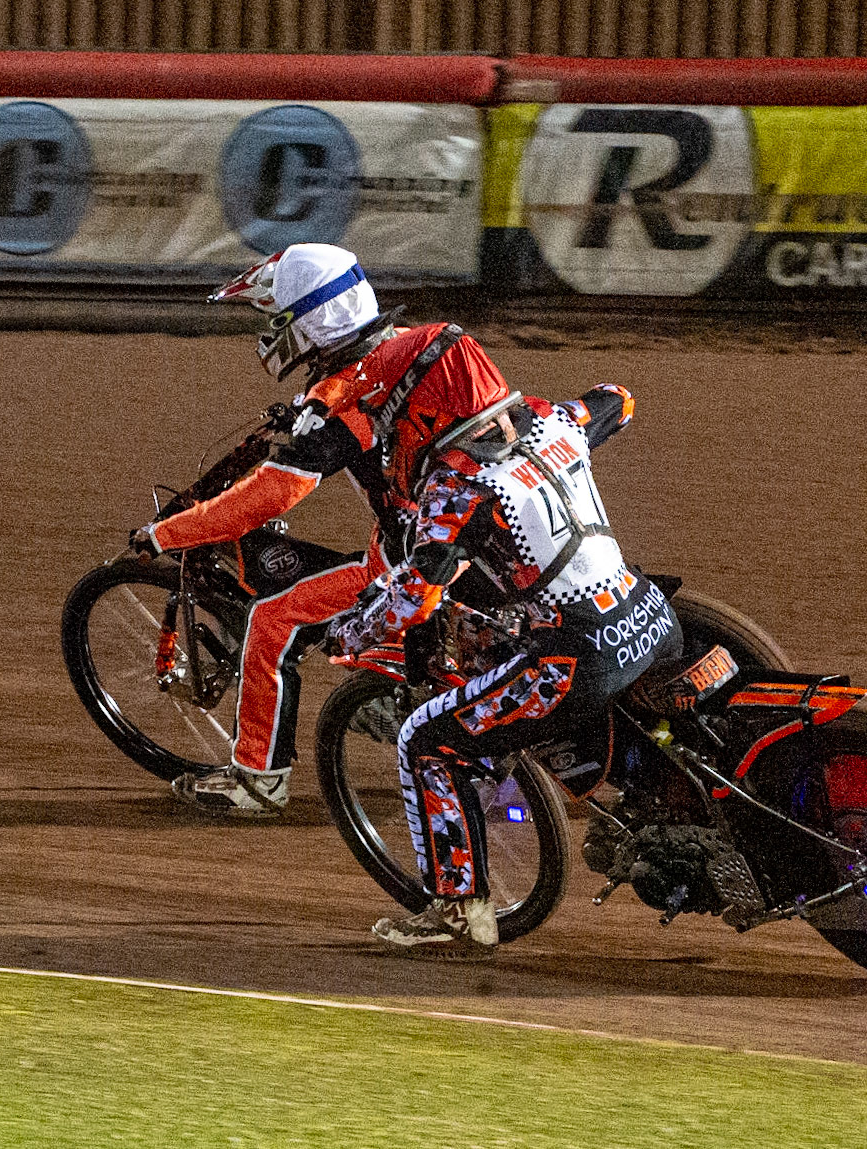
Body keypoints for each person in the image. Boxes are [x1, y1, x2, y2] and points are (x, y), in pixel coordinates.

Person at [128, 242, 519, 817]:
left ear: (308, 321)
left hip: (420, 556)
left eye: (277, 320)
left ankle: (259, 781)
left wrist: (169, 534)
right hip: (505, 526)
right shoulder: (404, 347)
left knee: (272, 619)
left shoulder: (342, 397)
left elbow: (272, 494)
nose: (269, 333)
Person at [325, 381, 680, 960]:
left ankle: (461, 910)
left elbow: (414, 597)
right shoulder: (554, 420)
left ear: (419, 423)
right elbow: (620, 397)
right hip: (651, 615)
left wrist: (348, 631)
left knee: (426, 740)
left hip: (576, 660)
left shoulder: (455, 486)